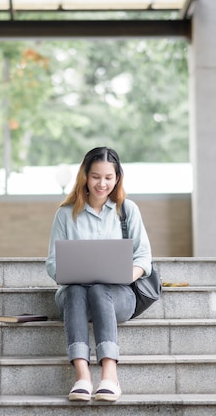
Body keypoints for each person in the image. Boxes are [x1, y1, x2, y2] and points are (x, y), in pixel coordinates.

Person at [45, 146, 152, 402]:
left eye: (108, 177)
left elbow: (144, 257)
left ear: (117, 178)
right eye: (95, 177)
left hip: (118, 296)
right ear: (84, 176)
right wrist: (69, 272)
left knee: (99, 289)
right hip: (75, 298)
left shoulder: (127, 211)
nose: (101, 184)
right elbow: (52, 263)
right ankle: (82, 377)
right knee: (76, 291)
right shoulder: (65, 214)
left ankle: (109, 375)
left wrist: (126, 274)